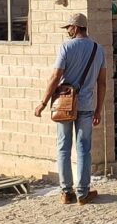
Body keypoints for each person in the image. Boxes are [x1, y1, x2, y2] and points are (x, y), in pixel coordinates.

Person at [34, 13, 108, 205]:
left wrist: (43, 103)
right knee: (84, 149)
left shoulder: (66, 48)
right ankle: (83, 193)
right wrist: (98, 109)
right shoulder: (98, 50)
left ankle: (66, 192)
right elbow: (102, 83)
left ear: (75, 28)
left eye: (69, 28)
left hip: (65, 105)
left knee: (63, 148)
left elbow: (55, 77)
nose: (67, 31)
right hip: (86, 106)